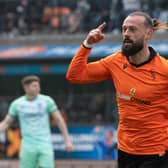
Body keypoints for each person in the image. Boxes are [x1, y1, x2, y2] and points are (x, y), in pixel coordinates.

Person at [66, 11, 168, 168]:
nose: (126, 34)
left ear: (148, 34)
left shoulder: (164, 69)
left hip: (156, 154)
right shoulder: (115, 61)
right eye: (124, 29)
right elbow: (75, 75)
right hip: (125, 151)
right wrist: (87, 44)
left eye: (132, 29)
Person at [0, 75, 73, 168]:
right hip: (27, 147)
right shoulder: (17, 104)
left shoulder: (47, 101)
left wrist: (67, 140)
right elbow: (6, 123)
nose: (38, 88)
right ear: (26, 87)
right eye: (34, 86)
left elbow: (59, 120)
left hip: (45, 145)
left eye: (38, 86)